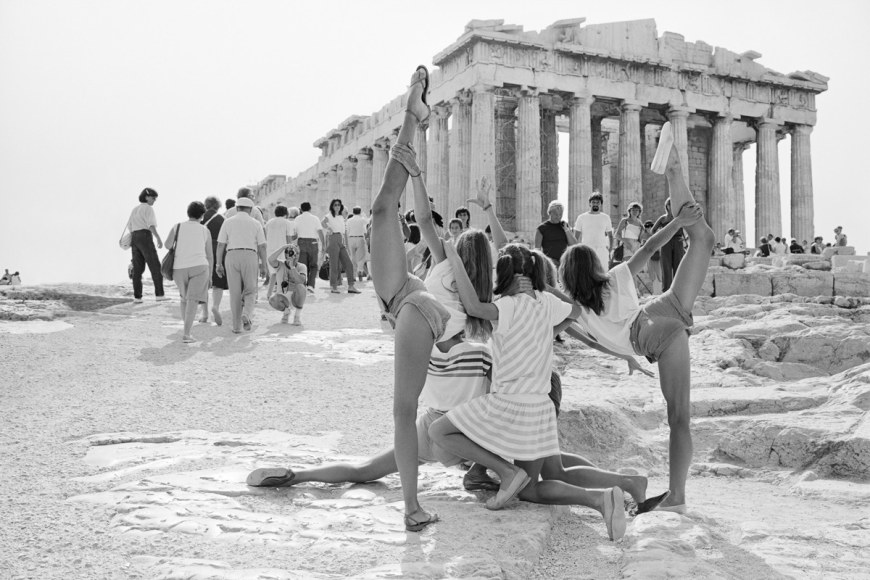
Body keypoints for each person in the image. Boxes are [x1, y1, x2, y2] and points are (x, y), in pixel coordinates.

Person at [430, 242, 635, 540]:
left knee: (440, 431)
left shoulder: (508, 306)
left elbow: (473, 307)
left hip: (508, 403)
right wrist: (547, 293)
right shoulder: (545, 302)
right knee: (530, 489)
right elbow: (577, 309)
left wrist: (454, 259)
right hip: (538, 407)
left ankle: (505, 471)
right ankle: (601, 499)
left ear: (505, 275)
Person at [558, 121, 714, 514]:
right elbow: (647, 247)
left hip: (650, 335)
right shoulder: (612, 278)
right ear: (592, 265)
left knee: (679, 417)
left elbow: (586, 340)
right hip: (658, 308)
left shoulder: (574, 311)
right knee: (704, 239)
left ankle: (677, 497)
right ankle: (675, 174)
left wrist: (625, 354)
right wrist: (676, 222)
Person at [215, 197, 268, 333]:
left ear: (237, 208)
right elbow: (262, 246)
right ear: (250, 210)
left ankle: (236, 327)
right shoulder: (256, 223)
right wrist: (264, 265)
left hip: (231, 255)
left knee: (235, 293)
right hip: (250, 255)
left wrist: (218, 264)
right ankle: (247, 313)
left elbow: (221, 244)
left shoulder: (228, 222)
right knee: (250, 290)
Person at [164, 202, 213, 343]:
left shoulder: (177, 226)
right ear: (202, 215)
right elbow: (209, 255)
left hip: (179, 268)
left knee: (184, 299)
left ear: (188, 213)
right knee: (193, 300)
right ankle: (186, 334)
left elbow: (167, 245)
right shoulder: (205, 230)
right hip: (200, 266)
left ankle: (187, 331)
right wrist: (210, 276)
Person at [123, 187, 167, 304]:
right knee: (155, 266)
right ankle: (159, 295)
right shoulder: (148, 209)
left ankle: (137, 297)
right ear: (147, 197)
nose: (154, 200)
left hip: (135, 237)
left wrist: (135, 236)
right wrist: (158, 238)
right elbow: (151, 225)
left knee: (137, 269)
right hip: (145, 236)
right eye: (153, 198)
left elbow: (130, 226)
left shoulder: (135, 209)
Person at [199, 196, 227, 325]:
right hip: (218, 250)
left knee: (204, 282)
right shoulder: (222, 219)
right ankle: (215, 306)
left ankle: (204, 314)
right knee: (218, 281)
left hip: (203, 249)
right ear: (218, 205)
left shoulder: (200, 217)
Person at [322, 199, 360, 294]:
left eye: (339, 205)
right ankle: (333, 286)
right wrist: (328, 228)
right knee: (334, 265)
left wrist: (345, 244)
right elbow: (322, 223)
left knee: (349, 264)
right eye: (335, 205)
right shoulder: (329, 215)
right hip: (333, 238)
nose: (337, 206)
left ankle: (351, 286)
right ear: (332, 206)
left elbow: (343, 231)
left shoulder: (341, 217)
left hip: (341, 240)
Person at [266, 243, 307, 325]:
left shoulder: (302, 266)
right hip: (283, 297)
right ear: (286, 254)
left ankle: (297, 316)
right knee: (272, 300)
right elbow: (270, 259)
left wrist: (292, 267)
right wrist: (283, 247)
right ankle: (286, 312)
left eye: (297, 253)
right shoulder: (280, 264)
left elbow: (301, 281)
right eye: (292, 252)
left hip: (295, 297)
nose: (295, 256)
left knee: (301, 286)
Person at [652, 198, 685, 292]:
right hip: (666, 242)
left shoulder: (680, 217)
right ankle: (666, 289)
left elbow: (689, 228)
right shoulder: (663, 218)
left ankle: (678, 288)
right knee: (666, 265)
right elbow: (653, 230)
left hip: (678, 241)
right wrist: (659, 238)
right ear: (667, 206)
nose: (671, 206)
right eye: (669, 204)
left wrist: (685, 238)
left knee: (678, 264)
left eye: (673, 204)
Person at [573, 192, 613, 268]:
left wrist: (610, 249)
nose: (595, 204)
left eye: (598, 202)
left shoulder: (606, 217)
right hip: (586, 250)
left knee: (603, 274)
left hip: (602, 251)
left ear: (601, 204)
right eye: (593, 202)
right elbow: (575, 237)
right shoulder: (581, 217)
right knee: (587, 274)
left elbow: (610, 236)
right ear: (589, 203)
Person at [264, 205, 296, 297]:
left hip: (270, 249)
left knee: (273, 273)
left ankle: (269, 293)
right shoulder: (287, 223)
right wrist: (291, 251)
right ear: (286, 213)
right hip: (282, 249)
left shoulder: (269, 222)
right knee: (282, 272)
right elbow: (289, 238)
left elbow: (266, 236)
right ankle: (281, 293)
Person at [534, 200, 577, 266]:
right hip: (549, 263)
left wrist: (566, 230)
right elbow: (537, 249)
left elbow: (574, 245)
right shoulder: (541, 228)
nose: (558, 216)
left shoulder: (565, 226)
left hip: (564, 262)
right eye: (556, 214)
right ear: (550, 213)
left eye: (560, 214)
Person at [294, 202, 325, 293]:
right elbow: (320, 232)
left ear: (301, 209)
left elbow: (294, 234)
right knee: (313, 266)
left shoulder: (297, 219)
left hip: (302, 242)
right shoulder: (315, 218)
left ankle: (303, 284)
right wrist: (323, 244)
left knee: (303, 265)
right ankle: (311, 285)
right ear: (310, 208)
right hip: (313, 242)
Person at [346, 206, 369, 282]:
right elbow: (368, 222)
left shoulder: (349, 220)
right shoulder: (362, 219)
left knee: (353, 257)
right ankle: (360, 271)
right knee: (361, 257)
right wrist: (363, 215)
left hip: (351, 238)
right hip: (360, 238)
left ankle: (353, 275)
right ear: (360, 212)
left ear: (353, 212)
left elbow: (347, 230)